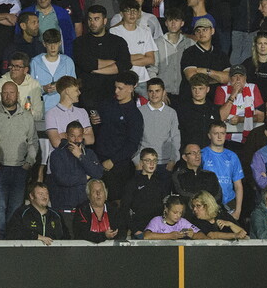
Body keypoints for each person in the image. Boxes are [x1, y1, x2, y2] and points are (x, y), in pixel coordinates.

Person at [0, 80, 39, 238]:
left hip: (20, 169)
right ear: (1, 95)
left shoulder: (26, 117)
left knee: (15, 209)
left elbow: (33, 141)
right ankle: (1, 241)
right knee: (0, 209)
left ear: (17, 95)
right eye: (5, 92)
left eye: (11, 92)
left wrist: (29, 162)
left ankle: (12, 240)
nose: (8, 96)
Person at [88, 71, 143, 201]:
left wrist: (113, 161)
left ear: (131, 88)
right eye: (115, 87)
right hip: (99, 159)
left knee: (115, 201)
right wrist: (93, 121)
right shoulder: (106, 105)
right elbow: (98, 128)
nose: (117, 91)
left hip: (119, 166)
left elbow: (132, 144)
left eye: (120, 88)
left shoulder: (134, 115)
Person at [72, 4, 133, 106]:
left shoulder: (118, 42)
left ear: (104, 21)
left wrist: (95, 70)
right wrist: (114, 63)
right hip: (88, 96)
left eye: (96, 19)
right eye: (90, 19)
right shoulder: (80, 42)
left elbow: (125, 64)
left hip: (113, 95)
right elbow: (86, 64)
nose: (92, 23)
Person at [48, 121, 105, 218]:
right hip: (64, 207)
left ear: (83, 136)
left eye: (79, 136)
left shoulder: (89, 154)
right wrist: (85, 177)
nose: (76, 140)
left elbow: (98, 173)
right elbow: (62, 179)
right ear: (66, 136)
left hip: (86, 207)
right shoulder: (57, 155)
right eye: (72, 136)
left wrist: (80, 156)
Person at [117, 148, 171, 238]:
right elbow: (124, 208)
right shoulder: (132, 183)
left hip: (157, 231)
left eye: (154, 160)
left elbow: (166, 206)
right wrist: (135, 230)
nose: (152, 164)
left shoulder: (161, 183)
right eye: (148, 160)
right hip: (139, 230)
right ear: (141, 163)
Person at [109, 0, 157, 92]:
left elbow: (150, 59)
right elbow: (113, 59)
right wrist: (140, 56)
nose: (132, 14)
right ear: (122, 14)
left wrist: (125, 62)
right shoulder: (114, 32)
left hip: (142, 80)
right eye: (128, 11)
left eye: (135, 11)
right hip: (121, 81)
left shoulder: (145, 32)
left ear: (139, 14)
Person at [201, 121, 245, 219]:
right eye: (216, 133)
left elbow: (238, 186)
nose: (219, 137)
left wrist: (238, 211)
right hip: (208, 202)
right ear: (209, 135)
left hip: (229, 202)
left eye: (222, 133)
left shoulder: (232, 156)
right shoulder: (202, 155)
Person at [180, 17, 231, 101]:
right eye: (198, 31)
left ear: (212, 31)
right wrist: (217, 78)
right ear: (195, 34)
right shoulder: (189, 53)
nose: (201, 33)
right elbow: (193, 78)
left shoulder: (221, 54)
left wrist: (205, 71)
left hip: (215, 101)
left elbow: (227, 78)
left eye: (205, 30)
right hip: (192, 101)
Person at [136, 78, 180, 172]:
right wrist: (136, 160)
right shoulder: (139, 112)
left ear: (163, 92)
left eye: (157, 91)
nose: (154, 94)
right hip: (144, 162)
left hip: (165, 163)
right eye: (151, 91)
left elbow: (175, 137)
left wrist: (173, 160)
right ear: (147, 92)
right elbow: (135, 137)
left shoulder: (171, 113)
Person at [29, 28, 77, 113]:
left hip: (65, 112)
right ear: (44, 44)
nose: (53, 47)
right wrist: (43, 89)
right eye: (49, 44)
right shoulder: (35, 63)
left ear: (60, 43)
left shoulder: (68, 62)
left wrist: (60, 87)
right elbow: (29, 89)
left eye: (55, 43)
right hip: (42, 113)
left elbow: (74, 88)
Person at [215, 65, 263, 144]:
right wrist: (233, 94)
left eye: (241, 76)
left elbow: (260, 117)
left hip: (249, 138)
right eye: (235, 76)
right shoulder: (221, 90)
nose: (238, 79)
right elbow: (220, 117)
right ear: (230, 78)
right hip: (227, 139)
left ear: (245, 78)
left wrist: (241, 119)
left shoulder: (253, 88)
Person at [153, 7, 195, 98]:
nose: (173, 23)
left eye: (176, 20)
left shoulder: (190, 43)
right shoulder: (157, 43)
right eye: (170, 20)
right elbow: (152, 70)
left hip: (186, 93)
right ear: (166, 23)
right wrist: (158, 91)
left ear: (182, 23)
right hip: (164, 94)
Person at [174, 72, 221, 151]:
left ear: (207, 89)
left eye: (200, 88)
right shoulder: (182, 109)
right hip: (188, 154)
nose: (197, 92)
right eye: (194, 88)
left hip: (208, 153)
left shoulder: (213, 109)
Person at [71, 178, 121, 243]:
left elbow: (121, 231)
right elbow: (81, 233)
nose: (98, 193)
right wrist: (104, 236)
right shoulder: (82, 210)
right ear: (89, 195)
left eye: (101, 190)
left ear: (105, 194)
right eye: (94, 191)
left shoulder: (114, 209)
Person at [239, 28, 267, 103]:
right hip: (251, 102)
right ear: (255, 45)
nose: (263, 46)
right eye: (260, 43)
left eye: (266, 43)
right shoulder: (247, 63)